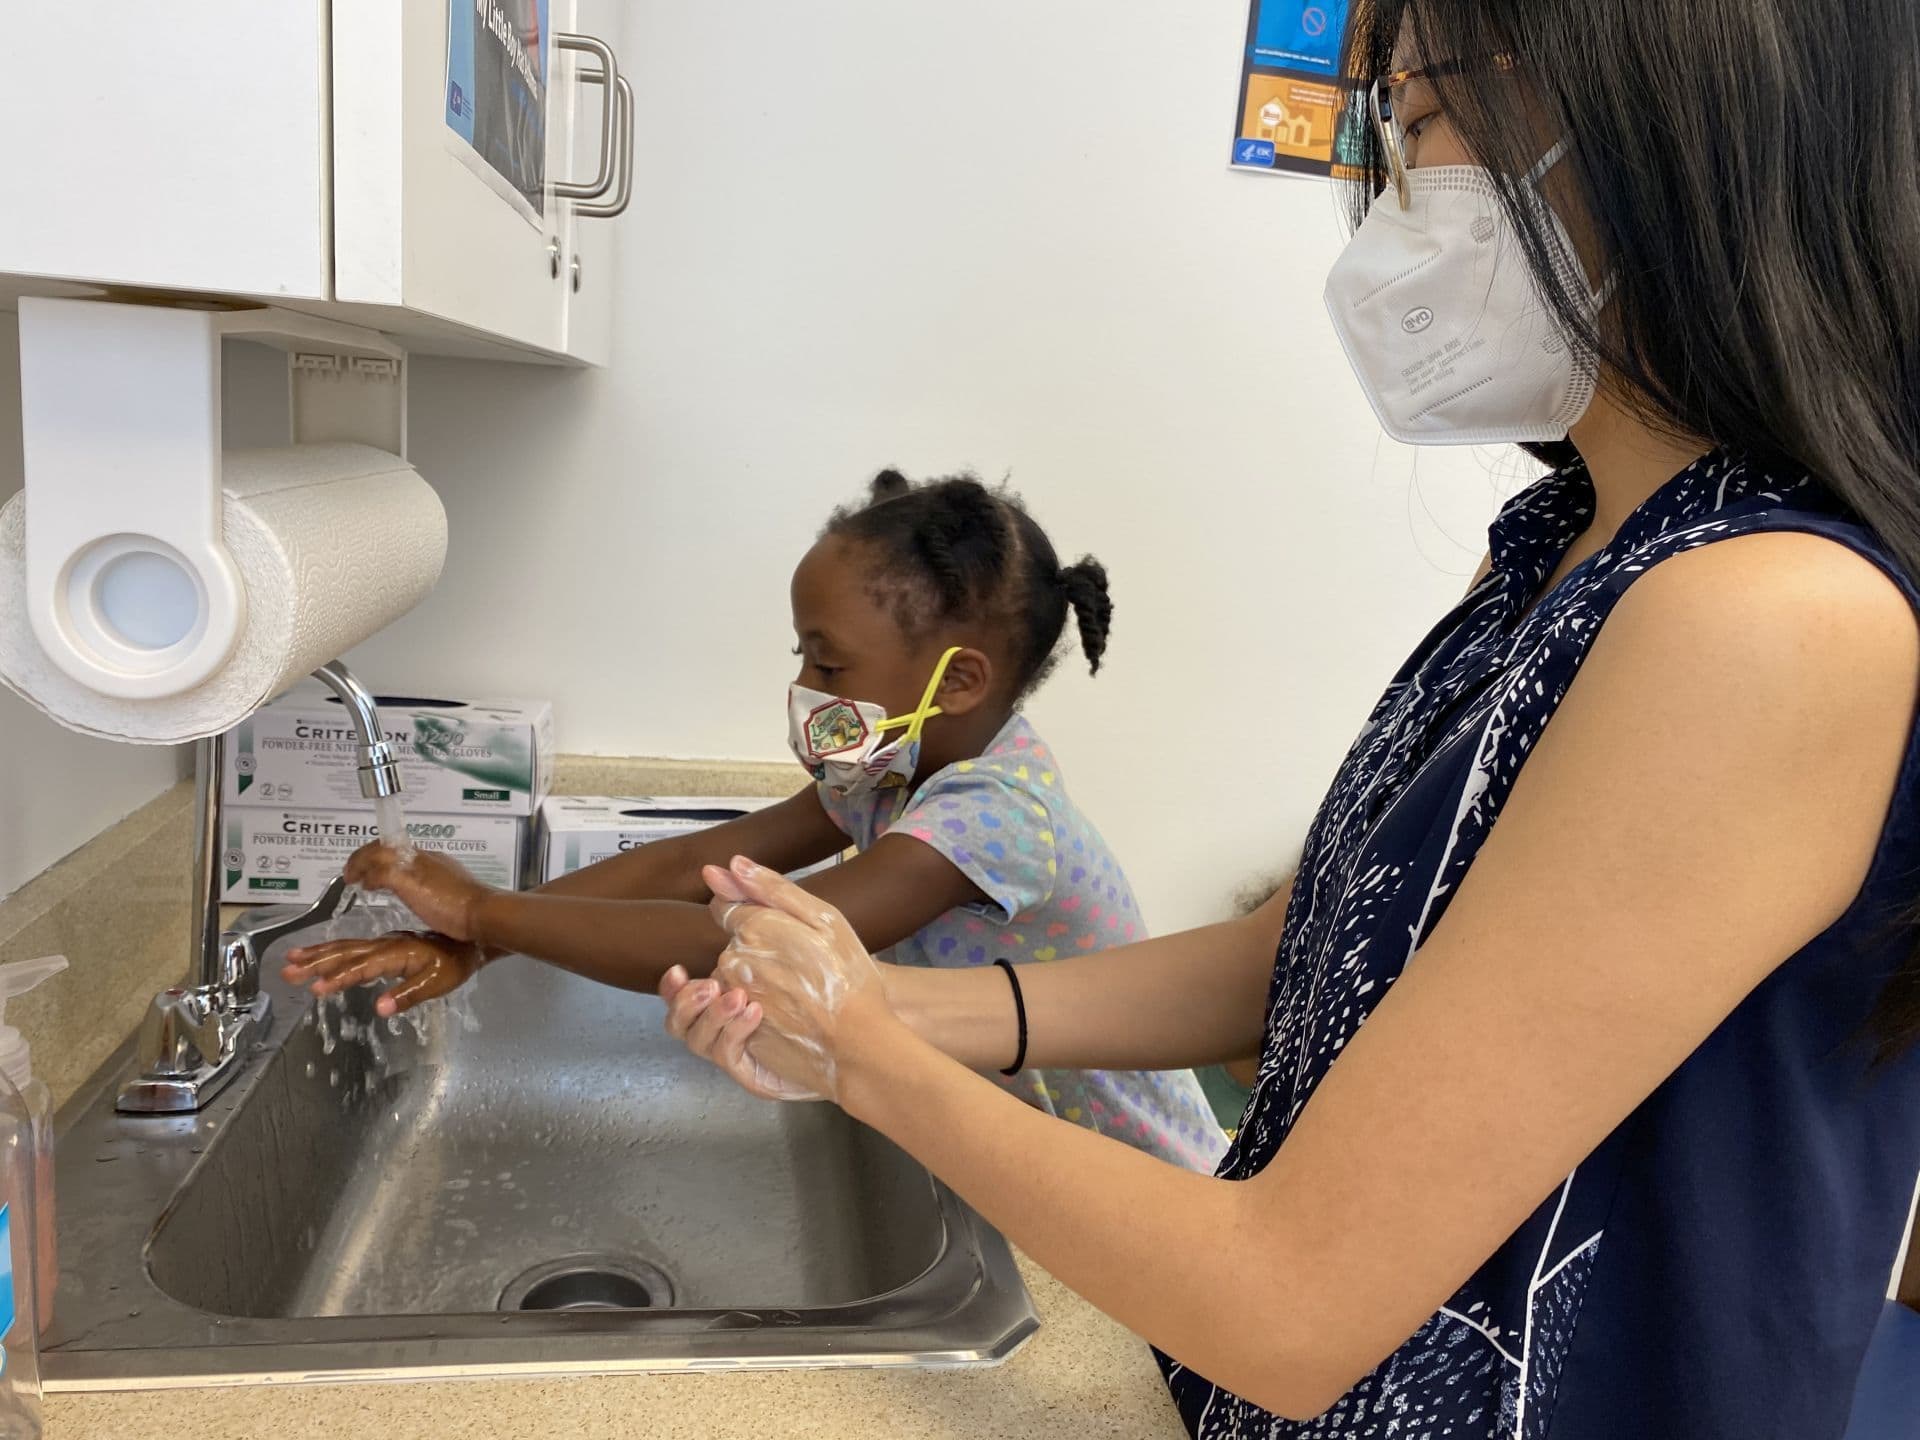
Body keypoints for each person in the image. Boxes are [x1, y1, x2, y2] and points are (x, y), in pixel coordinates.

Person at [661, 2, 1920, 1435]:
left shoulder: (1767, 617)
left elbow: (1289, 1301)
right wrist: (889, 1005)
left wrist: (868, 1057)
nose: (1389, 197)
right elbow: (1300, 956)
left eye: (1419, 121)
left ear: (1661, 125)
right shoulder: (1569, 547)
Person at [284, 469, 1226, 1171]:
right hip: (1017, 1147)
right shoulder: (886, 771)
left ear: (960, 680)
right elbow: (700, 867)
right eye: (803, 656)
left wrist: (484, 911)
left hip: (1133, 1179)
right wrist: (482, 942)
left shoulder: (994, 816)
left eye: (830, 664)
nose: (806, 686)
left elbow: (743, 940)